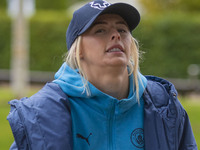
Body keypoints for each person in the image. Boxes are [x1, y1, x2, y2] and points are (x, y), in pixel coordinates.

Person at [7, 0, 197, 150]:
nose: (116, 35)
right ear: (78, 50)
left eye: (122, 29)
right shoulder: (39, 113)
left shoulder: (164, 105)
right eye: (100, 30)